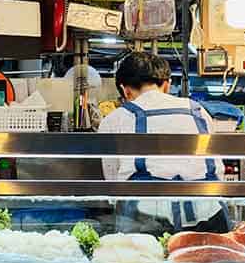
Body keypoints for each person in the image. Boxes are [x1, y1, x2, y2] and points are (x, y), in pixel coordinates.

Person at [98, 52, 229, 234]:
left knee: (146, 261)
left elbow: (112, 180)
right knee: (216, 261)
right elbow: (216, 165)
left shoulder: (115, 119)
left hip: (145, 216)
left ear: (125, 90)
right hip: (209, 212)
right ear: (166, 85)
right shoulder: (198, 111)